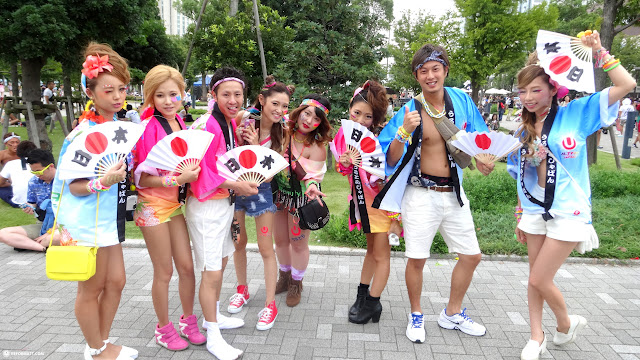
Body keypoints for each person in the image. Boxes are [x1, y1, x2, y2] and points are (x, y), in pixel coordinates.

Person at [507, 31, 636, 360]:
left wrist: (599, 52)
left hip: (569, 210)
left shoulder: (577, 112)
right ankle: (537, 336)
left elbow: (626, 85)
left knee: (539, 277)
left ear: (553, 88)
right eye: (523, 91)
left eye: (536, 90)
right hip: (535, 209)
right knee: (534, 278)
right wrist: (521, 213)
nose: (529, 97)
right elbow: (524, 179)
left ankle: (565, 322)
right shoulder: (523, 129)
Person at [374, 43, 494, 344]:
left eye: (435, 69)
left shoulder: (462, 101)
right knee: (416, 259)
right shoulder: (408, 110)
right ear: (417, 75)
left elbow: (479, 138)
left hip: (453, 191)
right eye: (424, 71)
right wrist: (403, 131)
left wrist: (483, 159)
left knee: (471, 256)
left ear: (445, 70)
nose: (430, 76)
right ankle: (416, 314)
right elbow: (388, 158)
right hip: (420, 195)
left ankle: (452, 312)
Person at [51, 42, 139, 360]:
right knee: (92, 287)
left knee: (116, 281)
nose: (117, 96)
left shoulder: (117, 128)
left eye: (121, 89)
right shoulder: (81, 135)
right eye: (108, 90)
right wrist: (102, 181)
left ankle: (99, 343)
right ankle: (97, 349)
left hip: (108, 218)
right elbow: (73, 187)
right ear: (91, 92)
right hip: (84, 222)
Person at [185, 66, 258, 360]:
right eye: (226, 94)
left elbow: (224, 162)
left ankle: (212, 315)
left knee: (221, 260)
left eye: (237, 94)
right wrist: (238, 186)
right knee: (211, 271)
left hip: (222, 204)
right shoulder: (207, 125)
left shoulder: (225, 123)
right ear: (213, 94)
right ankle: (213, 335)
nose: (233, 99)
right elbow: (201, 172)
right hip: (207, 207)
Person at [133, 65, 205, 352]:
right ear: (151, 97)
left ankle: (188, 321)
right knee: (163, 272)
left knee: (187, 268)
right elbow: (140, 176)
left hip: (175, 206)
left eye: (173, 94)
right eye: (159, 95)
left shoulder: (182, 125)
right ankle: (163, 328)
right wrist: (177, 178)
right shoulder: (148, 128)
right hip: (151, 205)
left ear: (183, 94)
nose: (167, 101)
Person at [228, 75, 293, 330]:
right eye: (275, 104)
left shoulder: (283, 131)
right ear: (262, 100)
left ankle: (269, 305)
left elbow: (273, 169)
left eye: (285, 106)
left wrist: (256, 148)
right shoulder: (243, 119)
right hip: (236, 189)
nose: (280, 110)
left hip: (262, 191)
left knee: (266, 248)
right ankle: (242, 290)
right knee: (238, 242)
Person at [335, 80, 399, 324]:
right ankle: (362, 296)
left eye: (368, 116)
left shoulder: (380, 141)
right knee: (371, 251)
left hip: (385, 207)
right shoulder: (345, 136)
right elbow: (343, 170)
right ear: (350, 109)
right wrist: (344, 162)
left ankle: (373, 303)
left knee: (383, 255)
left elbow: (390, 171)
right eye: (356, 113)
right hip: (364, 205)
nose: (360, 120)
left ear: (376, 118)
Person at [272, 94, 332, 307]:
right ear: (299, 112)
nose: (308, 121)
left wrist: (313, 186)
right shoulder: (281, 132)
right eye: (306, 113)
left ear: (320, 124)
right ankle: (284, 277)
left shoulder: (317, 147)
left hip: (302, 200)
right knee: (279, 240)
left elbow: (312, 179)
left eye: (315, 119)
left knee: (298, 244)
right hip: (278, 195)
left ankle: (296, 283)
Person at [0, 148, 61, 251]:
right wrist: (29, 207)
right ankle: (42, 247)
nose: (37, 175)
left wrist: (49, 233)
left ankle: (32, 243)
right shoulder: (34, 182)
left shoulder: (65, 182)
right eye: (33, 172)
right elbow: (32, 203)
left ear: (50, 167)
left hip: (63, 225)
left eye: (39, 171)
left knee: (55, 237)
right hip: (43, 224)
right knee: (3, 234)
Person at [0, 141, 37, 208]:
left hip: (19, 203)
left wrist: (11, 184)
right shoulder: (40, 163)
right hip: (39, 200)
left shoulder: (11, 164)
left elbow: (1, 183)